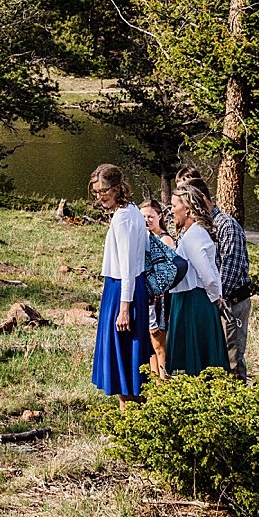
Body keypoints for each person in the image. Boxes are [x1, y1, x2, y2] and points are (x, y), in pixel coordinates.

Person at [178, 166, 258, 378]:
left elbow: (230, 267)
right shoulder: (194, 228)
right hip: (209, 303)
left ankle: (236, 401)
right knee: (209, 359)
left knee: (231, 358)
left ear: (201, 198)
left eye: (187, 200)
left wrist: (215, 300)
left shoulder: (226, 225)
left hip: (231, 303)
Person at [89, 163, 150, 402]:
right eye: (96, 192)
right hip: (134, 287)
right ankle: (133, 418)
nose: (100, 197)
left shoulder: (123, 218)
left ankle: (128, 423)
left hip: (123, 291)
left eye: (104, 191)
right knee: (128, 357)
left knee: (123, 357)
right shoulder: (133, 210)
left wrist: (124, 308)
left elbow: (126, 266)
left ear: (117, 188)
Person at [166, 182, 231, 376]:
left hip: (194, 301)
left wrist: (216, 298)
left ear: (187, 209)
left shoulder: (194, 235)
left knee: (196, 360)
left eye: (175, 206)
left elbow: (207, 274)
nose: (172, 211)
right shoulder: (192, 233)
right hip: (191, 299)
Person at [138, 199, 175, 380]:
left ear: (159, 216)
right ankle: (153, 384)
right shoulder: (143, 238)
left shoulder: (165, 240)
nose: (147, 220)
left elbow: (168, 273)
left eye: (151, 216)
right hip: (147, 298)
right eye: (143, 216)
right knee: (150, 347)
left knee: (159, 345)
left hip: (161, 300)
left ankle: (163, 383)